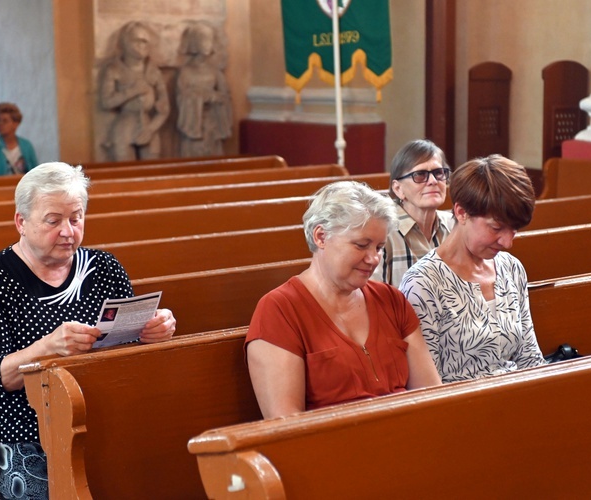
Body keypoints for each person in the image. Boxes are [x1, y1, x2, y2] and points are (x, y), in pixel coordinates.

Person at [0, 162, 177, 499]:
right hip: (27, 431)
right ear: (22, 222)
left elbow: (128, 343)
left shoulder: (102, 267)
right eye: (53, 221)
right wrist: (48, 347)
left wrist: (152, 330)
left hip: (104, 416)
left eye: (76, 219)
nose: (68, 231)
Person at [245, 181, 442, 419]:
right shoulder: (280, 310)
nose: (373, 259)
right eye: (361, 245)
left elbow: (431, 398)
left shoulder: (391, 300)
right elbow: (285, 425)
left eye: (379, 247)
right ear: (321, 236)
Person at [399, 154, 546, 384]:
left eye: (514, 230)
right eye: (496, 227)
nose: (507, 242)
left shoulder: (511, 268)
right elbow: (427, 387)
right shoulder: (423, 283)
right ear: (461, 212)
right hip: (460, 411)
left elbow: (530, 359)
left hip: (519, 402)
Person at [372, 139, 455, 287]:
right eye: (420, 175)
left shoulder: (455, 225)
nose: (432, 181)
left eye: (438, 173)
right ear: (398, 189)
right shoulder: (382, 232)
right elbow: (373, 300)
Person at [99, 21, 170, 161]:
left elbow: (164, 108)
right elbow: (106, 102)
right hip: (124, 126)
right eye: (137, 40)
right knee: (124, 172)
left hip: (148, 126)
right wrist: (132, 91)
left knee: (153, 173)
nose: (142, 45)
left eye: (145, 41)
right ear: (125, 43)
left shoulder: (153, 71)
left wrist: (151, 129)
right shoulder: (114, 69)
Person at [176, 21, 232, 157]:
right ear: (194, 42)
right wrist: (196, 97)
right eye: (203, 40)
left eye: (210, 40)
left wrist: (213, 97)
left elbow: (226, 97)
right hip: (194, 125)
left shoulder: (215, 72)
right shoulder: (185, 72)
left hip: (212, 124)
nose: (208, 44)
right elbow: (180, 97)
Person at [0, 102, 39, 176]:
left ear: (15, 124)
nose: (0, 124)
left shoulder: (27, 146)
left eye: (5, 121)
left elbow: (35, 173)